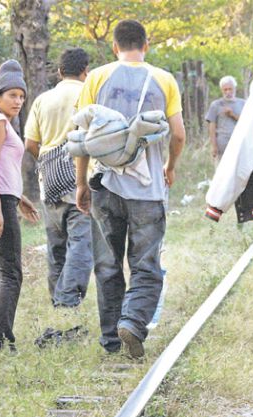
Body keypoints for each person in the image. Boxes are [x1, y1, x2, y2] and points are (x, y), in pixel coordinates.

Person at [74, 19, 186, 358]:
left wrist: (81, 183)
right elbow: (178, 134)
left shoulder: (96, 77)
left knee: (107, 264)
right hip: (147, 191)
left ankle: (110, 339)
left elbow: (82, 138)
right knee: (146, 264)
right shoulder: (164, 79)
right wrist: (170, 166)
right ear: (146, 44)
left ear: (114, 46)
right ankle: (134, 322)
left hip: (105, 186)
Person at [0, 59, 40, 350]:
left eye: (21, 96)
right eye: (12, 95)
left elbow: (2, 169)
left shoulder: (0, 123)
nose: (18, 101)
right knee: (11, 273)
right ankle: (0, 340)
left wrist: (20, 199)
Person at [24, 48, 94, 308]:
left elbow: (31, 143)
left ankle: (57, 298)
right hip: (79, 174)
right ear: (85, 70)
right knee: (81, 242)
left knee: (56, 243)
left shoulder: (43, 99)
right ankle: (67, 300)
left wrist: (46, 160)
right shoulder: (88, 95)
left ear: (59, 72)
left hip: (48, 177)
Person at [205, 76, 246, 161]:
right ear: (222, 90)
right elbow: (212, 126)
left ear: (235, 89)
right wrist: (214, 146)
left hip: (239, 144)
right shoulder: (216, 105)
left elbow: (247, 123)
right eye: (225, 89)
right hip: (222, 144)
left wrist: (232, 115)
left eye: (230, 89)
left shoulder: (243, 103)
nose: (228, 92)